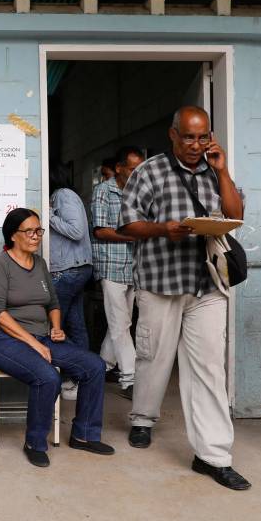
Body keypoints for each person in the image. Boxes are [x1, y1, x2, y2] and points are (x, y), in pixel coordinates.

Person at [119, 106, 250, 491]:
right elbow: (128, 222)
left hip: (206, 283)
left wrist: (222, 170)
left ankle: (213, 455)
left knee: (209, 368)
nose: (196, 145)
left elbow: (235, 214)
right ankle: (143, 418)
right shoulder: (149, 171)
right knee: (154, 357)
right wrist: (163, 229)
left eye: (203, 136)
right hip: (160, 280)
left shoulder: (215, 170)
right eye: (189, 137)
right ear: (173, 135)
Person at [0, 208, 113, 467]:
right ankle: (35, 442)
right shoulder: (1, 264)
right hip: (3, 339)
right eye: (29, 231)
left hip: (43, 336)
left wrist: (56, 327)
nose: (36, 236)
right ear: (13, 236)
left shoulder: (40, 263)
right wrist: (32, 343)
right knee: (47, 376)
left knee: (94, 366)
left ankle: (84, 435)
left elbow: (53, 303)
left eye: (38, 230)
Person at [91, 146, 145, 400]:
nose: (138, 174)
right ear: (120, 168)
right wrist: (133, 235)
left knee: (121, 323)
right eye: (134, 169)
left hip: (135, 266)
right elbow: (100, 231)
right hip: (111, 266)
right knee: (121, 325)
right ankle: (131, 379)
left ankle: (100, 368)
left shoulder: (140, 192)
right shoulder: (103, 191)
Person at [48, 164, 95, 400]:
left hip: (69, 269)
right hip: (76, 268)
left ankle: (65, 377)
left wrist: (48, 216)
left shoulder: (63, 195)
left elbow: (76, 231)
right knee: (76, 325)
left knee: (55, 325)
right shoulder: (67, 195)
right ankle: (81, 378)